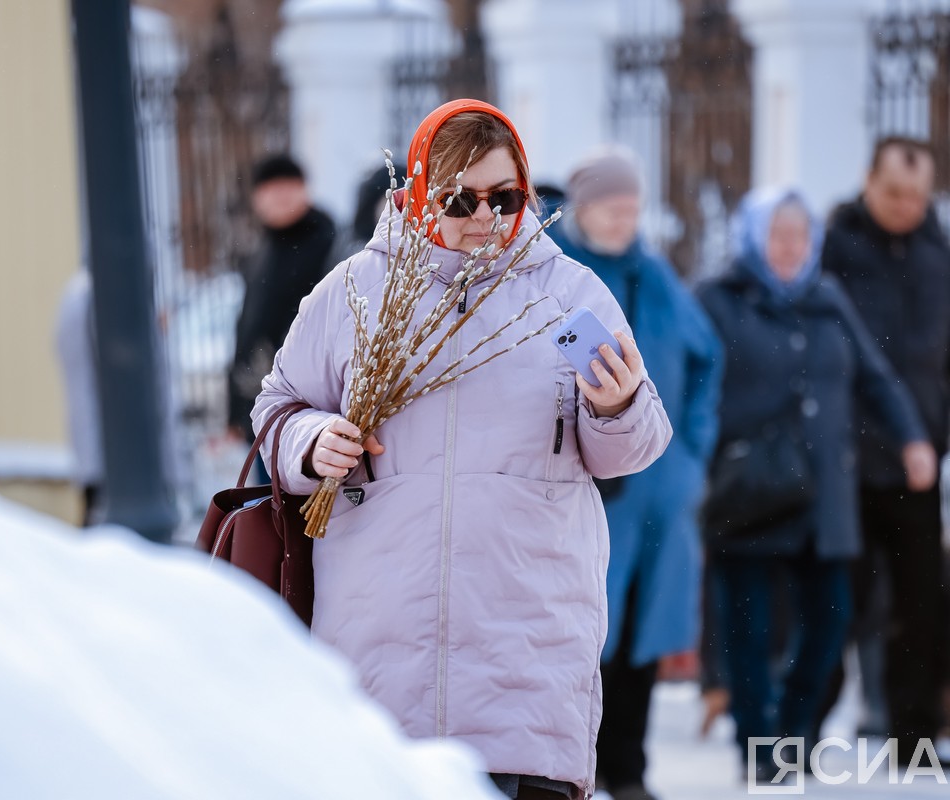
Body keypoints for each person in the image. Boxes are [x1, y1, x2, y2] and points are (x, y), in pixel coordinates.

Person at [252, 99, 673, 800]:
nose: (485, 217)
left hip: (528, 644)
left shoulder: (568, 294)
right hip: (380, 639)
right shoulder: (354, 294)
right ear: (418, 191)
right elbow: (277, 407)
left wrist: (617, 404)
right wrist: (312, 441)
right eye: (459, 198)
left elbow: (637, 444)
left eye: (505, 198)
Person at [696, 188, 936, 778]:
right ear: (753, 238)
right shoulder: (718, 299)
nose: (789, 248)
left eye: (800, 237)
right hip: (748, 488)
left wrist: (912, 438)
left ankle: (791, 733)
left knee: (831, 619)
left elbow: (876, 378)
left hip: (823, 492)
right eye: (778, 236)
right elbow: (689, 382)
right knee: (748, 632)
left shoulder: (827, 297)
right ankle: (760, 751)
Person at [556, 146, 722, 800]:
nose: (623, 222)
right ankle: (578, 767)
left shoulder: (655, 276)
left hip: (661, 491)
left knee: (646, 634)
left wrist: (692, 453)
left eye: (631, 210)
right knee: (587, 633)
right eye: (609, 208)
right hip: (596, 490)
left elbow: (706, 359)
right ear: (582, 208)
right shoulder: (563, 278)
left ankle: (630, 770)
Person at [820, 136, 950, 767]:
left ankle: (914, 740)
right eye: (895, 192)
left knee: (919, 606)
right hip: (846, 460)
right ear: (869, 181)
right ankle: (798, 732)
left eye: (918, 196)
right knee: (836, 604)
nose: (906, 206)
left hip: (918, 457)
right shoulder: (834, 244)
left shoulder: (938, 251)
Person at [227, 154, 337, 453]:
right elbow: (246, 325)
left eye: (287, 187)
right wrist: (234, 410)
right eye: (270, 189)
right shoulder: (259, 252)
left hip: (309, 411)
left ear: (304, 189)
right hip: (260, 405)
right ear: (255, 198)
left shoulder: (330, 243)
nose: (279, 197)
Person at [55, 268, 104, 525]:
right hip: (107, 442)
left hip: (92, 437)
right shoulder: (94, 299)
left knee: (93, 508)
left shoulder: (76, 296)